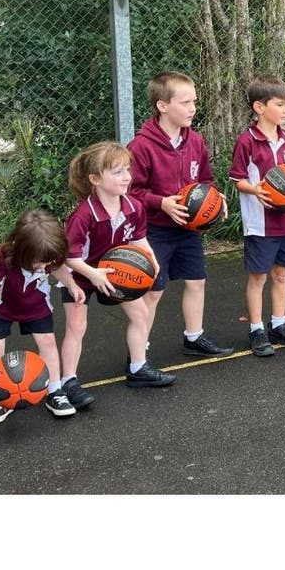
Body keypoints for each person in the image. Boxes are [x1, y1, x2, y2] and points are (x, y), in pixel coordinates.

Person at [128, 71, 232, 361]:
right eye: (185, 103)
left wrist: (215, 196)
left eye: (194, 102)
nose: (193, 109)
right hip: (155, 230)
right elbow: (130, 191)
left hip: (189, 229)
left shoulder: (195, 141)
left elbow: (206, 181)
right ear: (162, 106)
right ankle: (139, 352)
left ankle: (194, 337)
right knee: (153, 292)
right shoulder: (141, 146)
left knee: (196, 281)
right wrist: (161, 203)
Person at [62, 141, 176, 393]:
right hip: (79, 274)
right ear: (95, 179)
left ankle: (138, 368)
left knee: (141, 314)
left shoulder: (133, 206)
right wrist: (92, 274)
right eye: (117, 172)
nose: (127, 177)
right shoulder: (83, 215)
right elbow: (68, 257)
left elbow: (138, 239)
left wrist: (152, 259)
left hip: (113, 272)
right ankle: (68, 381)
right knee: (76, 327)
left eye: (127, 170)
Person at [0, 209, 85, 425]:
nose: (44, 267)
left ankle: (54, 391)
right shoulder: (2, 257)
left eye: (47, 262)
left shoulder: (47, 253)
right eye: (39, 263)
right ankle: (1, 396)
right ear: (21, 248)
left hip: (33, 301)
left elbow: (58, 268)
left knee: (47, 341)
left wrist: (72, 284)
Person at [229, 74, 285, 357]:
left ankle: (278, 324)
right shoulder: (247, 141)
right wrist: (256, 189)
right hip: (260, 224)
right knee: (258, 278)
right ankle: (256, 329)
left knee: (281, 274)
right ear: (259, 107)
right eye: (280, 104)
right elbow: (237, 179)